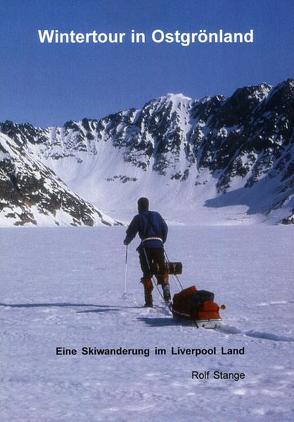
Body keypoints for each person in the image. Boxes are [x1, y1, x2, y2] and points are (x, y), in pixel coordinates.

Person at [123, 197, 171, 307]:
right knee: (162, 267)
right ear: (148, 205)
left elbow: (131, 232)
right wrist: (161, 241)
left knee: (147, 273)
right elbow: (165, 228)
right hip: (158, 245)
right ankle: (165, 287)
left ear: (139, 206)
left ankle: (148, 301)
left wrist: (127, 241)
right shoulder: (157, 215)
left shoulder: (138, 218)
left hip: (146, 247)